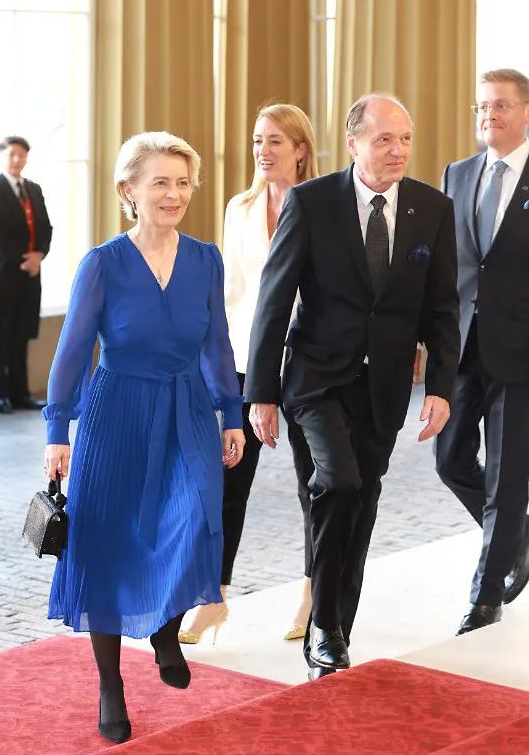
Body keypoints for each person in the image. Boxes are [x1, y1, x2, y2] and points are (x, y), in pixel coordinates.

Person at [245, 93, 460, 679]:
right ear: (353, 143)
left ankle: (338, 625)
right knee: (337, 483)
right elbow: (274, 296)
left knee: (362, 498)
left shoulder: (431, 209)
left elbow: (442, 308)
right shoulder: (312, 203)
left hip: (385, 387)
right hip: (314, 378)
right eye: (384, 139)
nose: (398, 150)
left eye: (406, 139)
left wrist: (440, 386)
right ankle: (325, 624)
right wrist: (261, 392)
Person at [43, 131, 245, 744]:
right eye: (160, 182)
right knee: (105, 542)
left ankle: (165, 625)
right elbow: (73, 351)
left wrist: (230, 412)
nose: (175, 194)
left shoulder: (206, 259)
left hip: (187, 409)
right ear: (129, 191)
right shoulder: (103, 264)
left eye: (183, 183)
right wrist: (58, 429)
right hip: (117, 411)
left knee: (193, 521)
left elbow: (216, 346)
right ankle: (111, 683)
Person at [179, 104, 318, 646]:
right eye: (258, 140)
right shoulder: (239, 208)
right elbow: (229, 291)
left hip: (307, 359)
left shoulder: (325, 203)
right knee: (227, 479)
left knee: (315, 484)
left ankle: (313, 592)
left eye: (276, 141)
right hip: (243, 360)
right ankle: (212, 597)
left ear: (301, 149)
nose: (263, 150)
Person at [436, 68, 529, 635]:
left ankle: (486, 594)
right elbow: (452, 265)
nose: (487, 116)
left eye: (499, 106)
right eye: (480, 107)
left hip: (521, 352)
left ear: (525, 111)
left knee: (507, 474)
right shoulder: (458, 173)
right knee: (449, 460)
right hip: (463, 346)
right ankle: (517, 535)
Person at [0, 136, 52, 413]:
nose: (17, 160)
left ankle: (21, 393)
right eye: (12, 155)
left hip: (30, 275)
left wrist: (39, 255)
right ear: (3, 156)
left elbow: (46, 227)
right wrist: (24, 259)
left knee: (21, 334)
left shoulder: (33, 189)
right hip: (2, 274)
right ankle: (0, 396)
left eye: (22, 155)